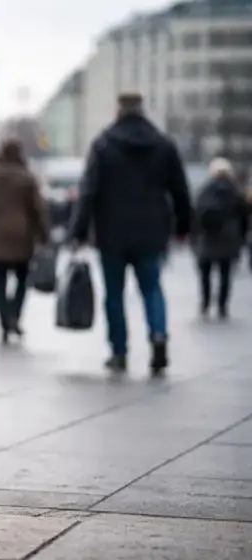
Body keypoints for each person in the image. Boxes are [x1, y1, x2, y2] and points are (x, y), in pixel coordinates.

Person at [70, 93, 192, 375]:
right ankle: (158, 336)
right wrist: (184, 226)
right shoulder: (163, 144)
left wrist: (79, 230)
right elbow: (180, 190)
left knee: (114, 293)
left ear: (118, 109)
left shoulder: (103, 144)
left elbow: (88, 191)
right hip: (152, 230)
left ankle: (119, 351)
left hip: (111, 231)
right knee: (152, 288)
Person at [0, 138, 48, 343]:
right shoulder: (27, 178)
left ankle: (4, 323)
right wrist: (43, 234)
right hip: (21, 235)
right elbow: (37, 209)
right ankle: (15, 314)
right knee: (22, 279)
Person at [193, 158, 249, 319]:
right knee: (225, 273)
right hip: (229, 237)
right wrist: (241, 238)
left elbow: (196, 214)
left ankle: (205, 302)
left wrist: (194, 238)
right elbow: (244, 216)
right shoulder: (236, 191)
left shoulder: (205, 190)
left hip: (208, 237)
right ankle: (222, 305)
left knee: (205, 273)